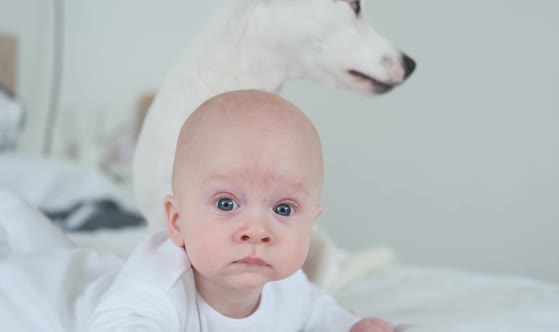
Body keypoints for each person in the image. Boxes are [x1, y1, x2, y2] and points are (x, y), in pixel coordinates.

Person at [89, 90, 396, 331]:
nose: (257, 230)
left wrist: (351, 325)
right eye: (226, 204)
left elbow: (316, 309)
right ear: (178, 221)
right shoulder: (157, 284)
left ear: (311, 223)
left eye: (284, 209)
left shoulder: (286, 287)